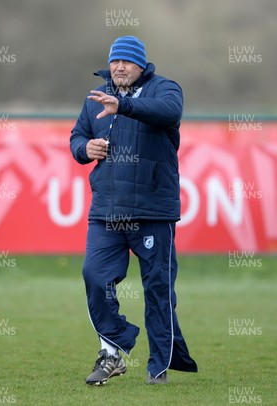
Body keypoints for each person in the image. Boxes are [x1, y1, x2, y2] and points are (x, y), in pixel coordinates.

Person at [70, 36, 198, 386]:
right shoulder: (95, 97)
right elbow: (76, 137)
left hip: (152, 210)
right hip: (107, 209)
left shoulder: (165, 89)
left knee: (157, 289)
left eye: (127, 61)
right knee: (95, 276)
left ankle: (158, 365)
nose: (119, 67)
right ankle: (112, 350)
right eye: (115, 61)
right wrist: (86, 148)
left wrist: (123, 107)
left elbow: (169, 113)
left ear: (142, 65)